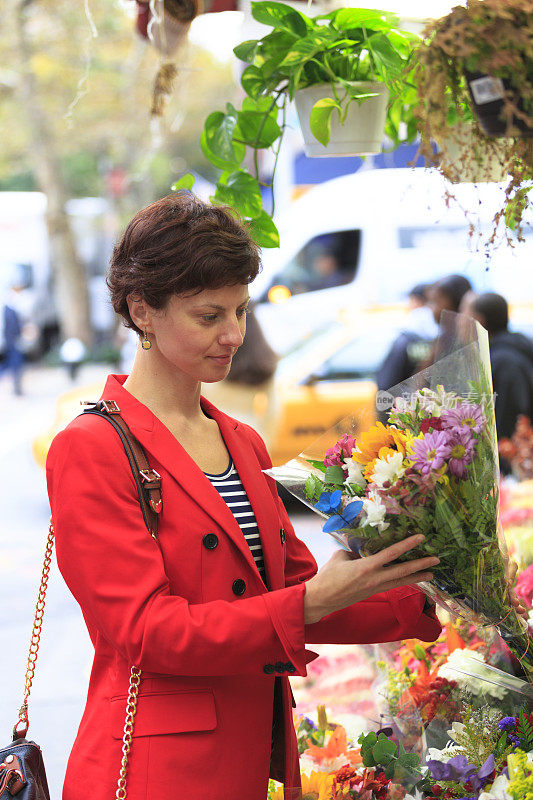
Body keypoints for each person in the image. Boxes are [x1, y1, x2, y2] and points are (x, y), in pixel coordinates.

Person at [46, 194, 444, 800]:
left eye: (240, 311)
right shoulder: (92, 447)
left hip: (247, 757)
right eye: (209, 316)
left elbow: (299, 590)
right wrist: (305, 604)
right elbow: (149, 631)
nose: (234, 335)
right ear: (141, 309)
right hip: (155, 772)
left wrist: (435, 589)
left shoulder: (242, 440)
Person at [470, 292, 533, 439]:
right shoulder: (515, 348)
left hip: (512, 451)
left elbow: (509, 416)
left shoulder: (504, 361)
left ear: (480, 320)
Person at [376, 283, 438, 393]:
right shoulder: (446, 337)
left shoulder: (406, 339)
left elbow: (387, 382)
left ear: (417, 301)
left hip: (411, 404)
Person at [0, 280, 25, 395]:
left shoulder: (12, 308)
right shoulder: (8, 308)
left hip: (13, 340)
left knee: (13, 363)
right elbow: (10, 326)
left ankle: (17, 388)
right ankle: (17, 389)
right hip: (12, 340)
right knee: (14, 363)